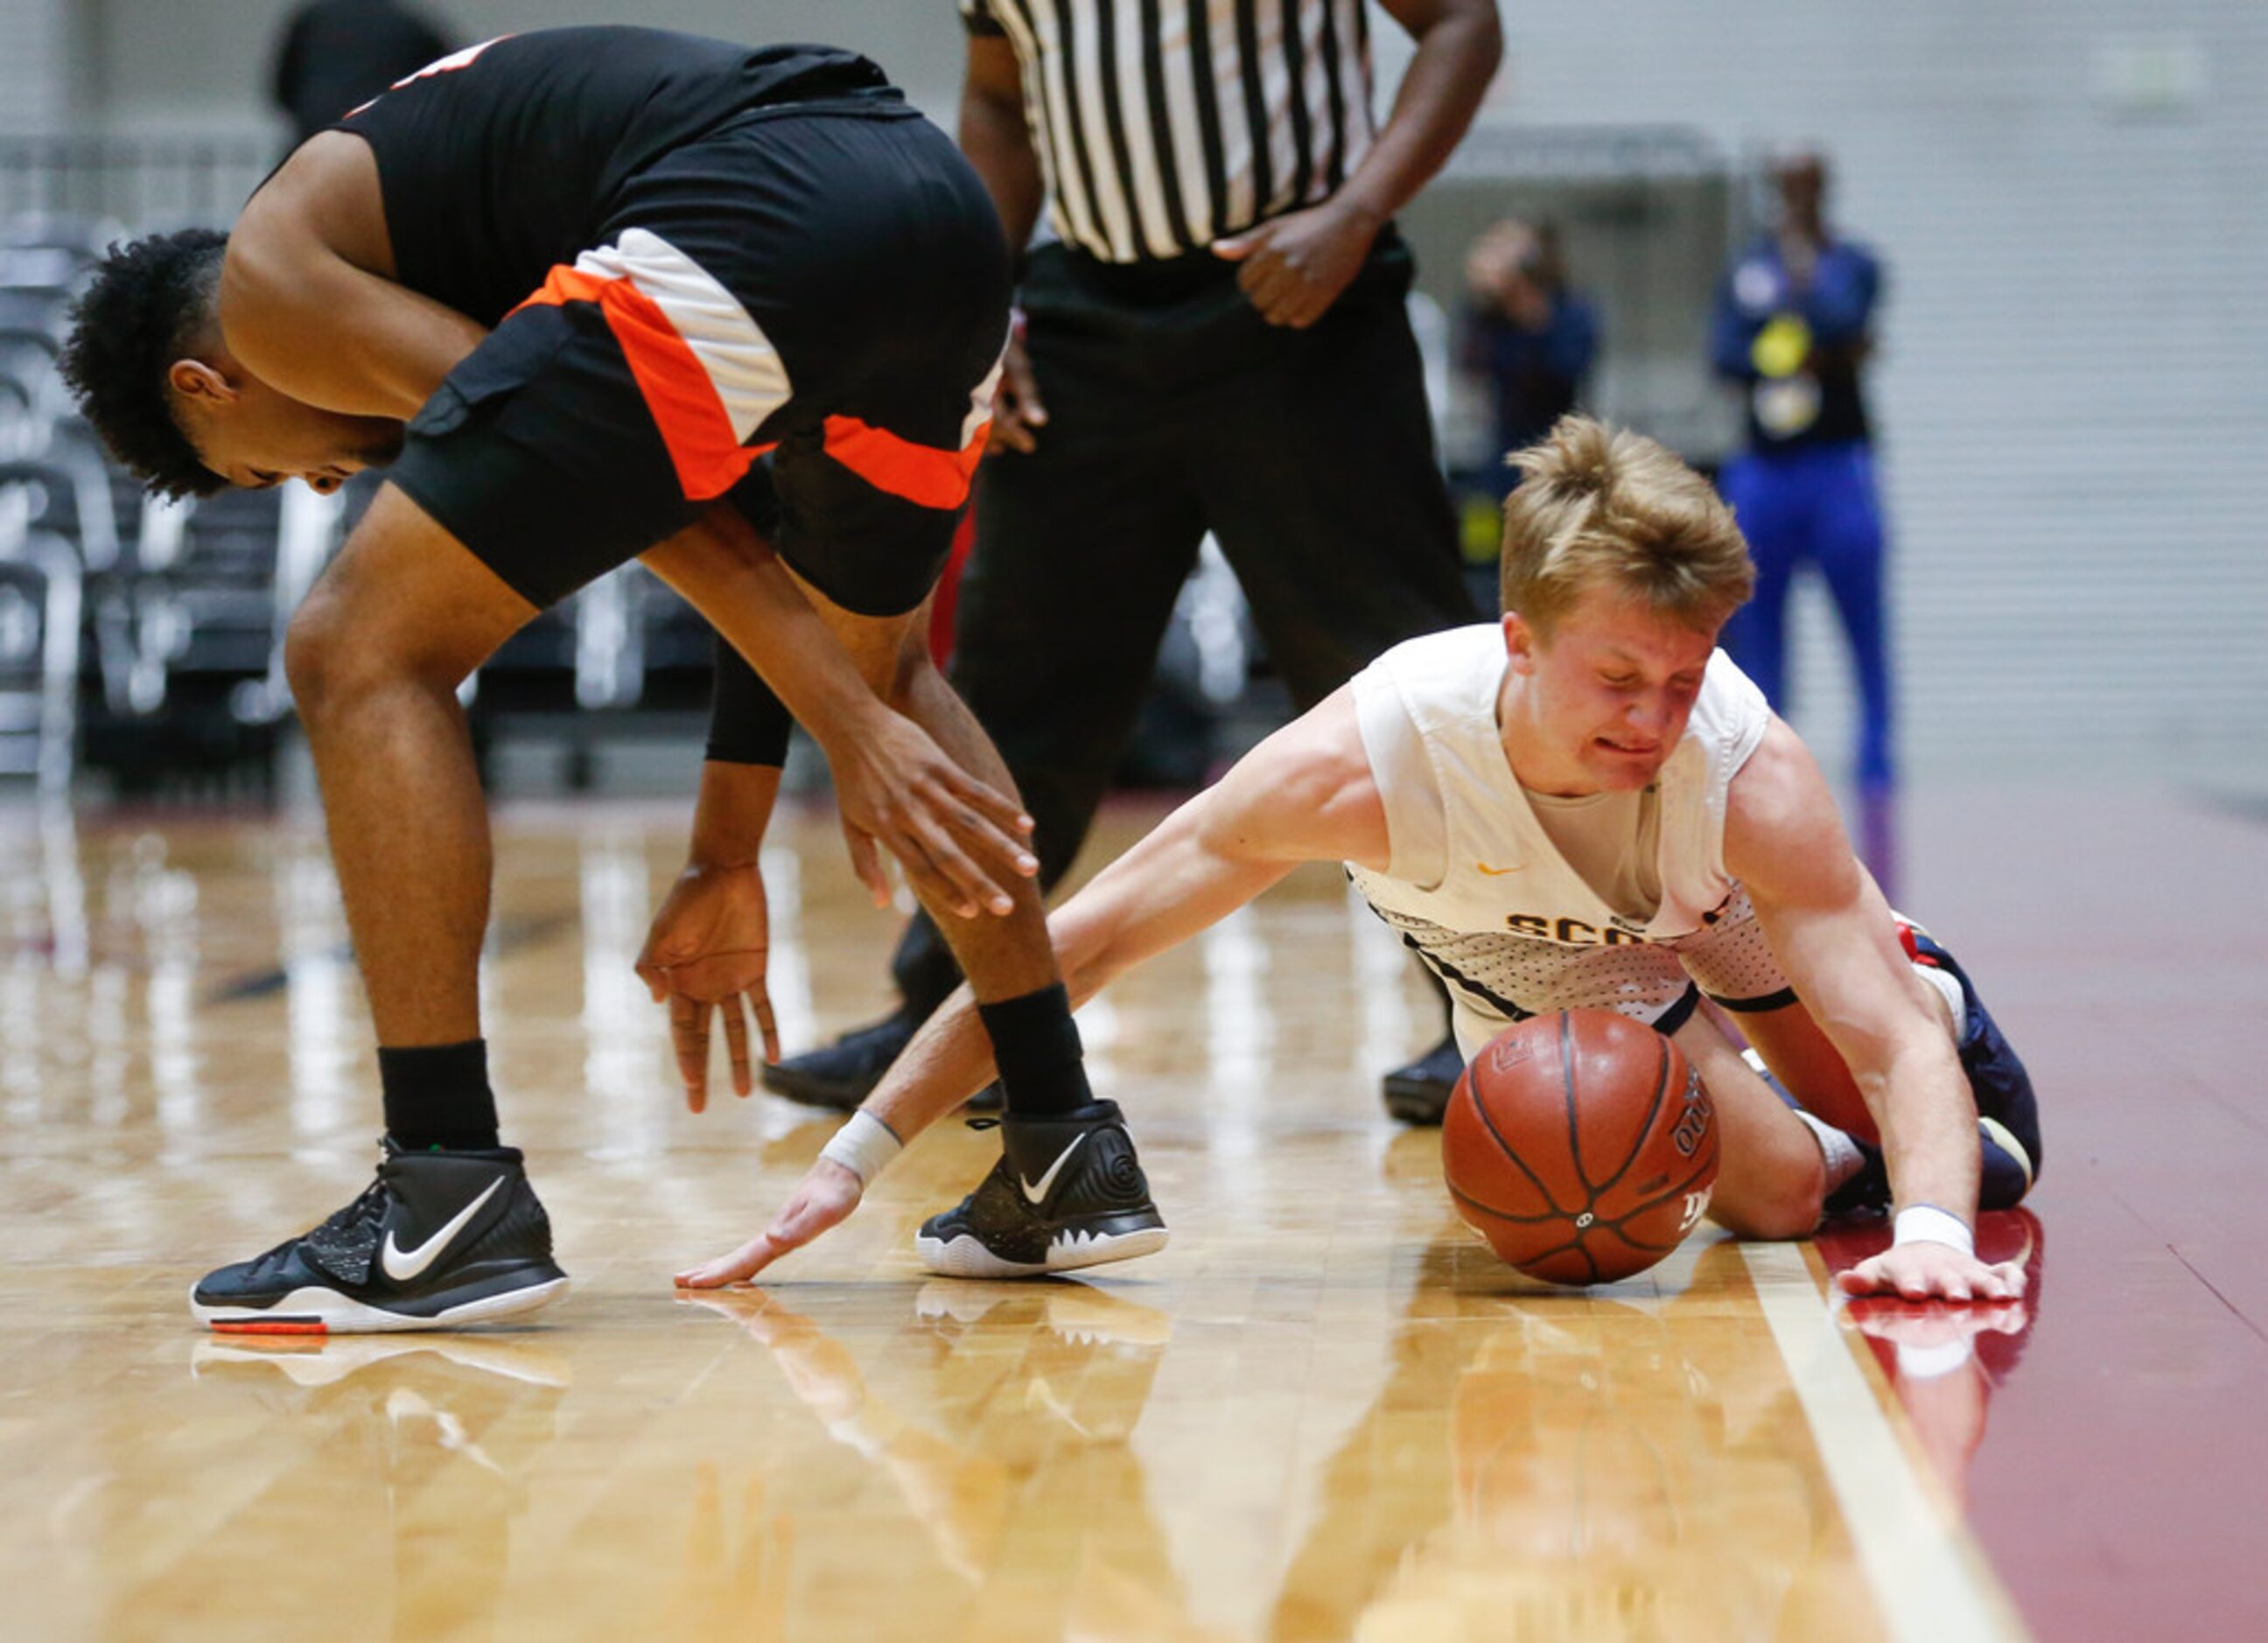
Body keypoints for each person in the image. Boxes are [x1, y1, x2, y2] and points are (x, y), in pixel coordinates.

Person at [61, 26, 1165, 1332]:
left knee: (355, 645)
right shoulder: (437, 213)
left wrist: (844, 722)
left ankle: (442, 1189)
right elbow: (748, 545)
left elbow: (661, 509)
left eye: (264, 464)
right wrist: (728, 842)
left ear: (212, 381)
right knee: (891, 663)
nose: (320, 480)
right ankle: (1059, 1140)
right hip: (932, 216)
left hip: (759, 212)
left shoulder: (270, 284)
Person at [680, 417, 2040, 1302]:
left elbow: (1882, 1044)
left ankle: (1937, 1000)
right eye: (1619, 676)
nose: (1654, 716)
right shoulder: (1364, 764)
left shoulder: (1742, 765)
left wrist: (1933, 1234)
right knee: (1781, 1195)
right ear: (1518, 640)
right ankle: (1816, 1146)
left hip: (1721, 902)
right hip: (1541, 961)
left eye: (1684, 677)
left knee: (1922, 1108)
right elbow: (1073, 944)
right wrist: (854, 1158)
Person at [752, 0, 1501, 1129]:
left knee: (1393, 683)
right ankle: (950, 1015)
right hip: (1080, 325)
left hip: (1302, 298)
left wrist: (1357, 213)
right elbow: (999, 103)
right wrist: (980, 300)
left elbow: (1463, 24)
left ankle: (1493, 1016)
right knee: (1016, 691)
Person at [1709, 150, 1894, 805]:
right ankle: (1765, 776)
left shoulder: (1854, 264)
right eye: (1782, 186)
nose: (1793, 198)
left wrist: (1800, 294)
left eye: (1804, 185)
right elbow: (1727, 355)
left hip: (1837, 464)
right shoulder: (1746, 269)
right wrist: (1792, 345)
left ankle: (1877, 775)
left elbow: (1849, 323)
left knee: (1865, 630)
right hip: (1765, 470)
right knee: (1759, 630)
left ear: (1823, 189)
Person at [1460, 218, 1599, 496]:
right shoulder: (1487, 318)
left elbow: (1566, 369)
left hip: (1560, 445)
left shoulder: (1572, 310)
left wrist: (1523, 304)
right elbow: (1471, 369)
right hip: (1504, 448)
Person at [270, 0, 453, 147]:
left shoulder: (312, 18)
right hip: (380, 146)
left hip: (314, 141)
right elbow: (453, 83)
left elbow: (282, 90)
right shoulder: (411, 26)